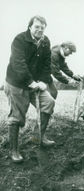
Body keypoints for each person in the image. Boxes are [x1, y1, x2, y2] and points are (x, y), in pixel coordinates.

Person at [4, 15, 55, 162]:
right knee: (17, 117)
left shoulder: (45, 42)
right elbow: (18, 63)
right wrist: (31, 82)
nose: (40, 30)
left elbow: (47, 64)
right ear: (30, 27)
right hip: (17, 83)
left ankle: (40, 137)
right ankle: (14, 151)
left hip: (35, 83)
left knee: (49, 102)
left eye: (42, 27)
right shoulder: (20, 40)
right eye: (37, 27)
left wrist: (44, 81)